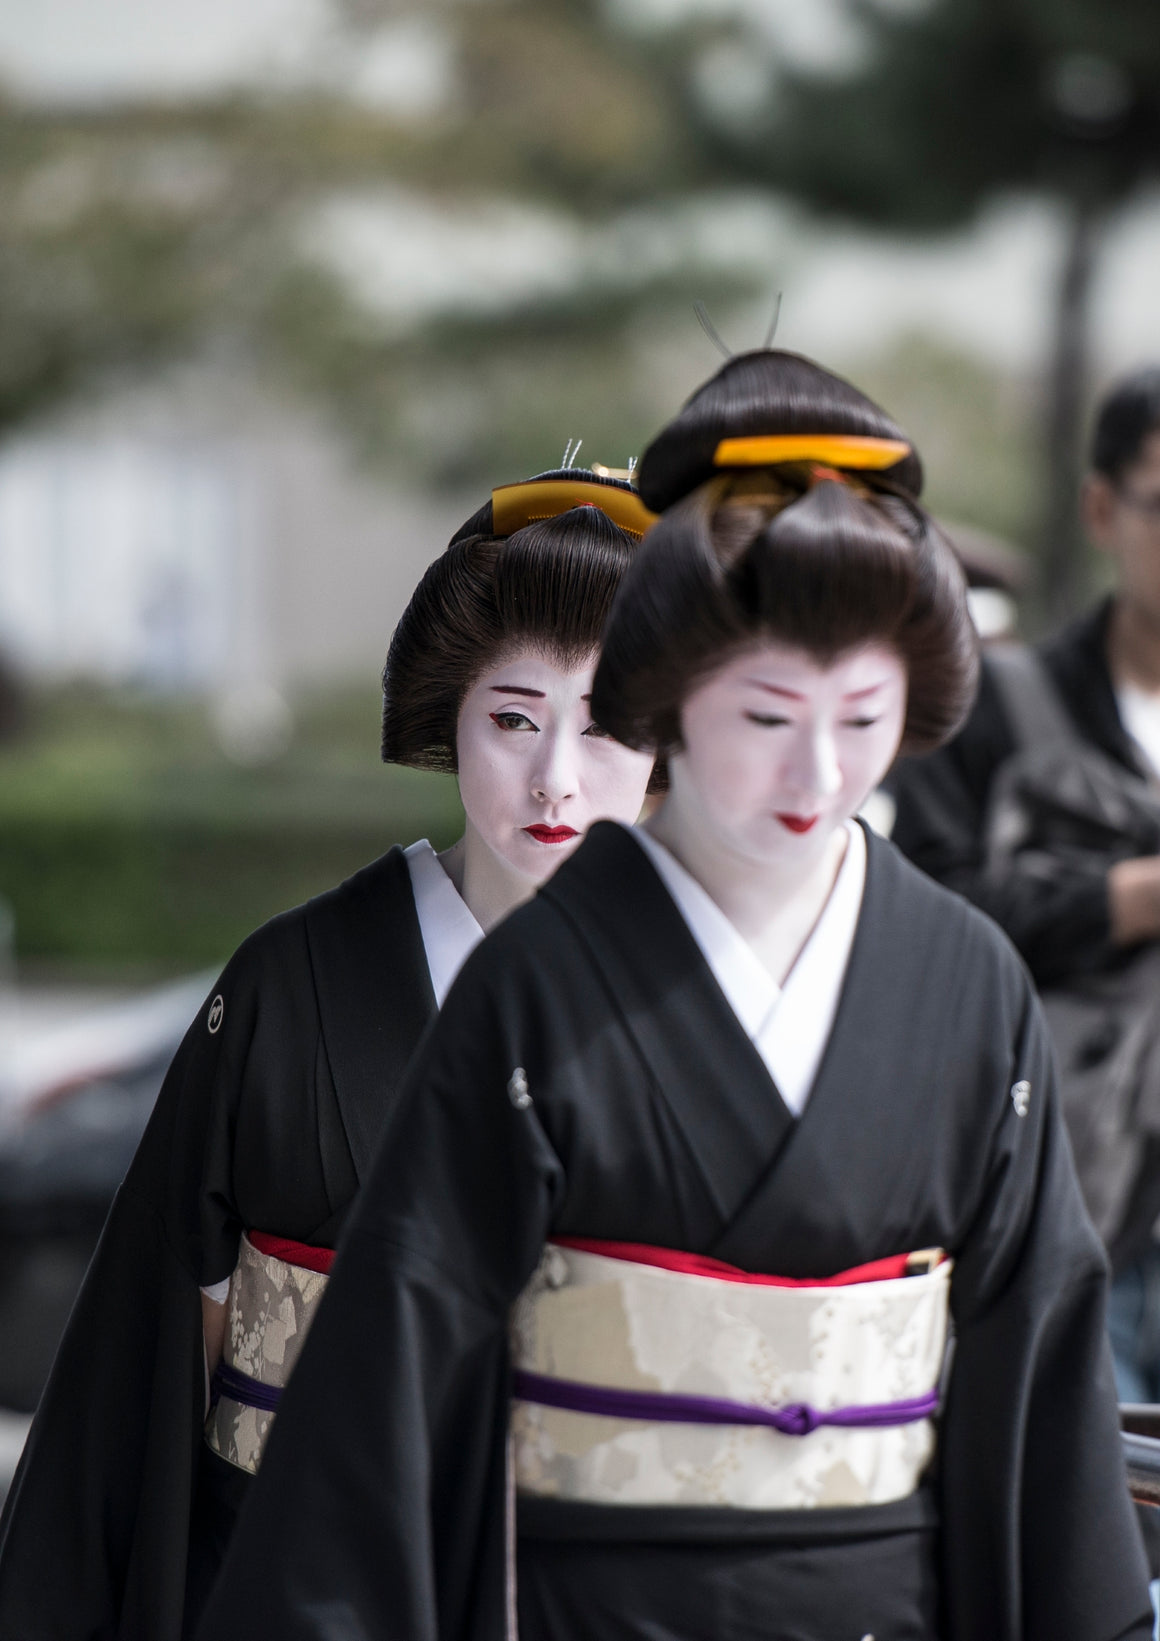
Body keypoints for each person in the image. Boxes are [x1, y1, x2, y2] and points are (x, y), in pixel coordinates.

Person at [197, 350, 1152, 1641]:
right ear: (672, 702)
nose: (820, 770)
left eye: (865, 718)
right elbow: (399, 1367)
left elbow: (1035, 1362)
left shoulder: (966, 975)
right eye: (767, 714)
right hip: (588, 1597)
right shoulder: (538, 981)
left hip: (887, 1597)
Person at [0, 467, 657, 1641]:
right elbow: (159, 1335)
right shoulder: (291, 979)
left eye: (607, 726)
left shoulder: (698, 997)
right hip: (295, 1565)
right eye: (513, 716)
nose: (556, 775)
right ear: (447, 713)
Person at [891, 366, 1160, 1403]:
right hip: (1072, 1207)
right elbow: (932, 918)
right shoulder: (997, 708)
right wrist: (1131, 897)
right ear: (1100, 507)